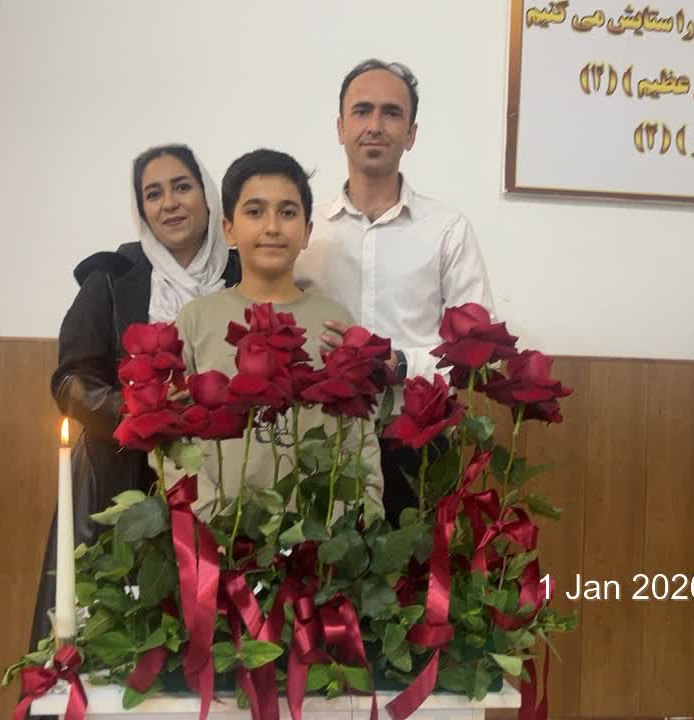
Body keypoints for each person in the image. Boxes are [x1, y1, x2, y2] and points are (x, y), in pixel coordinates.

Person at [24, 144, 240, 694]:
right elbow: (71, 380)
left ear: (208, 196)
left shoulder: (242, 271)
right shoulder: (112, 276)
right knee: (117, 644)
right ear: (141, 208)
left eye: (182, 186)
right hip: (121, 478)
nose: (170, 202)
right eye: (153, 193)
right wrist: (143, 414)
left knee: (218, 647)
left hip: (229, 477)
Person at [295, 59, 496, 526]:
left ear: (411, 134)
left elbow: (479, 352)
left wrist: (401, 364)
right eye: (362, 111)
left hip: (416, 440)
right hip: (316, 439)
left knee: (412, 569)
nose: (375, 125)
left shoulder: (447, 229)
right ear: (340, 127)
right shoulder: (305, 230)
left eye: (391, 113)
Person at [175, 148, 382, 513]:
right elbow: (174, 441)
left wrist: (355, 519)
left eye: (287, 213)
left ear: (307, 231)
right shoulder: (195, 320)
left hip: (319, 532)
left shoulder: (334, 320)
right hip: (218, 531)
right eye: (255, 212)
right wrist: (211, 523)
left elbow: (359, 437)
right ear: (228, 229)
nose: (272, 226)